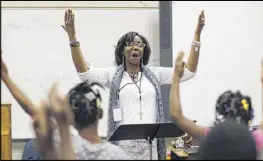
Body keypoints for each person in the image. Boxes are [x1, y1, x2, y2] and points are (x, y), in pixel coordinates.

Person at [61, 9, 206, 160]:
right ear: (122, 50)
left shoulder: (154, 74)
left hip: (151, 147)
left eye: (140, 44)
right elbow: (85, 73)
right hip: (123, 149)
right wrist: (72, 38)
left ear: (144, 51)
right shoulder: (112, 75)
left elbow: (189, 71)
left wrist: (197, 34)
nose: (136, 47)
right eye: (130, 44)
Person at [1, 50, 130, 160]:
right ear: (99, 113)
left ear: (70, 118)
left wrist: (5, 76)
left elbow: (33, 111)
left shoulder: (63, 144)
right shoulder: (118, 155)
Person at [169, 51, 263, 157]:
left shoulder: (212, 136)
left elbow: (177, 115)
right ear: (248, 117)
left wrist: (176, 79)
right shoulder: (253, 140)